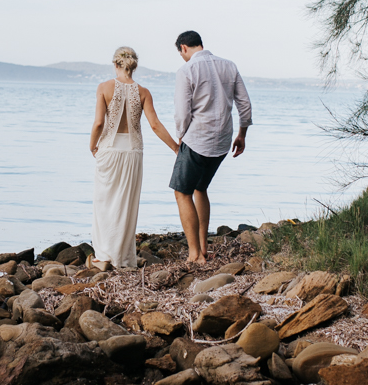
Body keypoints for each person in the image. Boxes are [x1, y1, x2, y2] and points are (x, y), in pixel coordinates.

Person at [88, 46, 179, 269]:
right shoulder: (144, 92)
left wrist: (92, 145)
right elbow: (155, 125)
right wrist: (176, 148)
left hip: (109, 150)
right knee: (126, 204)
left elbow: (99, 123)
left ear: (116, 64)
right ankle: (122, 258)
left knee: (104, 202)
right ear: (133, 66)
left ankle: (104, 255)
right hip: (133, 152)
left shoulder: (103, 87)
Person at [170, 31, 252, 264]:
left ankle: (195, 254)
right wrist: (242, 134)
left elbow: (182, 112)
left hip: (197, 139)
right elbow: (244, 104)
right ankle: (204, 247)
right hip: (223, 141)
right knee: (200, 188)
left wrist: (180, 136)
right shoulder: (229, 65)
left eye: (180, 53)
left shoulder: (186, 70)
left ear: (183, 48)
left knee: (182, 192)